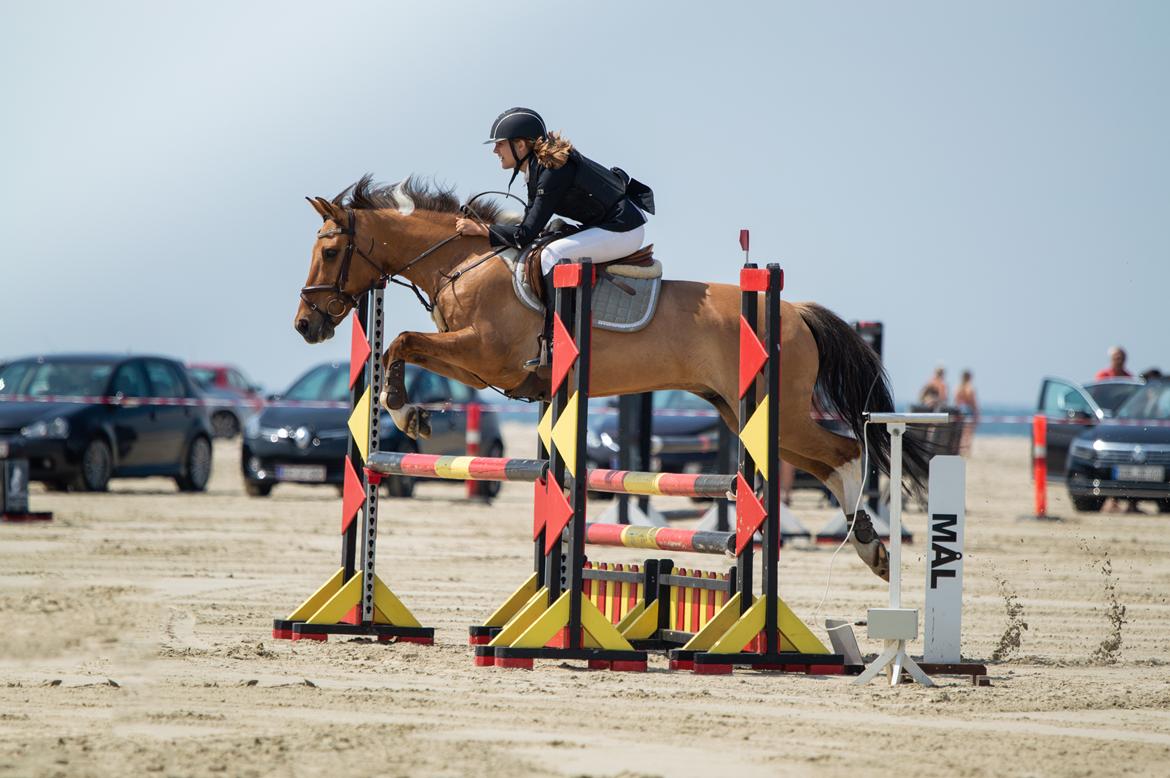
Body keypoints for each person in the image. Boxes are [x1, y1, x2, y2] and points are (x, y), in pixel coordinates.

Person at [454, 107, 655, 371]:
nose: (495, 151)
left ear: (520, 145)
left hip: (624, 230)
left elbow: (524, 235)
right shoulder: (536, 169)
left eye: (500, 144)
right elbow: (529, 227)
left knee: (552, 255)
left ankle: (556, 343)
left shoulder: (551, 171)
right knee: (546, 246)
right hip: (608, 225)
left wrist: (483, 230)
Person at [953, 369, 979, 455]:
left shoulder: (958, 387)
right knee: (968, 432)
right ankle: (967, 450)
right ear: (970, 377)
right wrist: (977, 414)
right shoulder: (970, 388)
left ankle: (960, 450)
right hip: (968, 410)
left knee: (960, 432)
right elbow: (973, 402)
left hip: (959, 410)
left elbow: (956, 401)